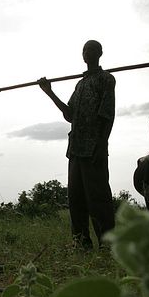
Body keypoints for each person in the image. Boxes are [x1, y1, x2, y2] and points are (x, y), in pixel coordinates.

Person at [38, 40, 116, 250]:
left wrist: (101, 146)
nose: (87, 52)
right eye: (85, 49)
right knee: (76, 199)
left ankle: (108, 245)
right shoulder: (80, 84)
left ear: (100, 53)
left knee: (98, 199)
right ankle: (81, 244)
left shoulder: (106, 79)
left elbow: (108, 115)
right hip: (75, 149)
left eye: (91, 49)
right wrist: (49, 92)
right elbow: (70, 114)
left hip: (94, 149)